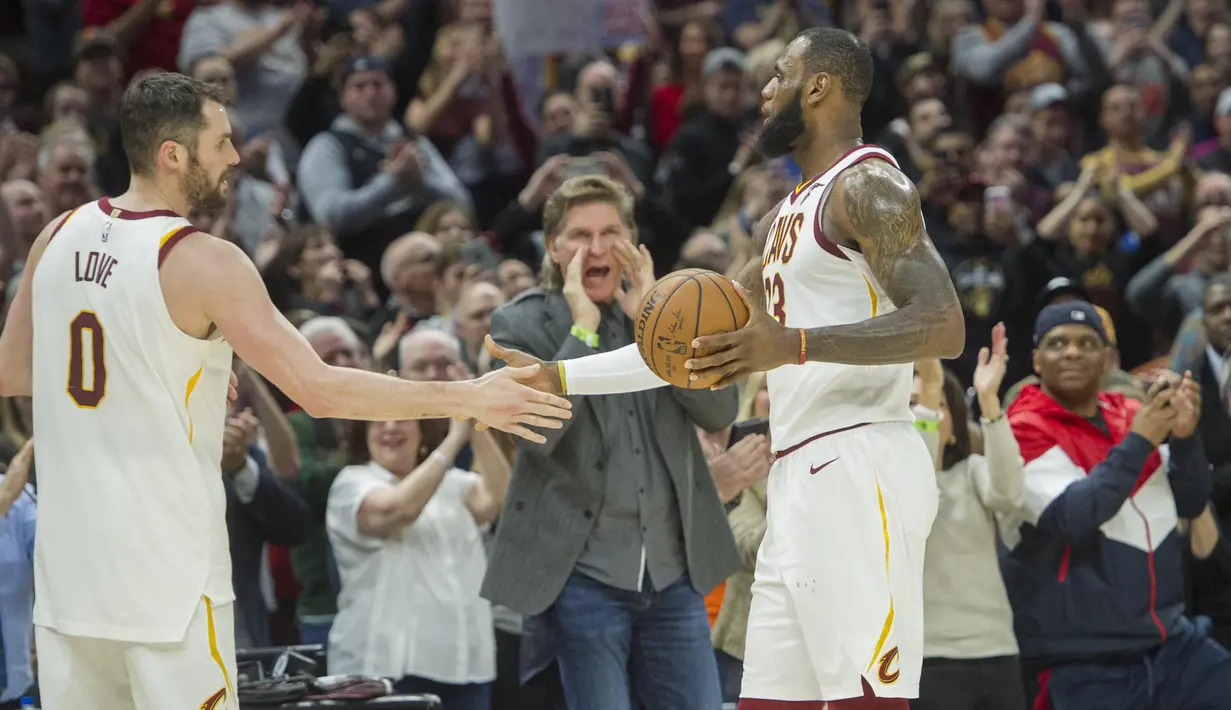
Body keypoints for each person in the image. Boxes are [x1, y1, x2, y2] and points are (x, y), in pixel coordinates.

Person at [0, 72, 571, 710]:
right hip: (164, 579)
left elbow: (16, 373)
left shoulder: (56, 236)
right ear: (173, 155)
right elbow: (321, 390)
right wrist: (468, 396)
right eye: (220, 143)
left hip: (71, 578)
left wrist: (146, 375)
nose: (235, 157)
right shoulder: (201, 259)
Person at [485, 26, 964, 709]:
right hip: (792, 476)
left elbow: (943, 325)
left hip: (861, 464)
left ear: (818, 86)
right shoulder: (783, 216)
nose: (764, 91)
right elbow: (679, 349)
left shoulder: (871, 187)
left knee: (865, 699)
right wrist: (560, 377)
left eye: (779, 74)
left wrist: (793, 345)